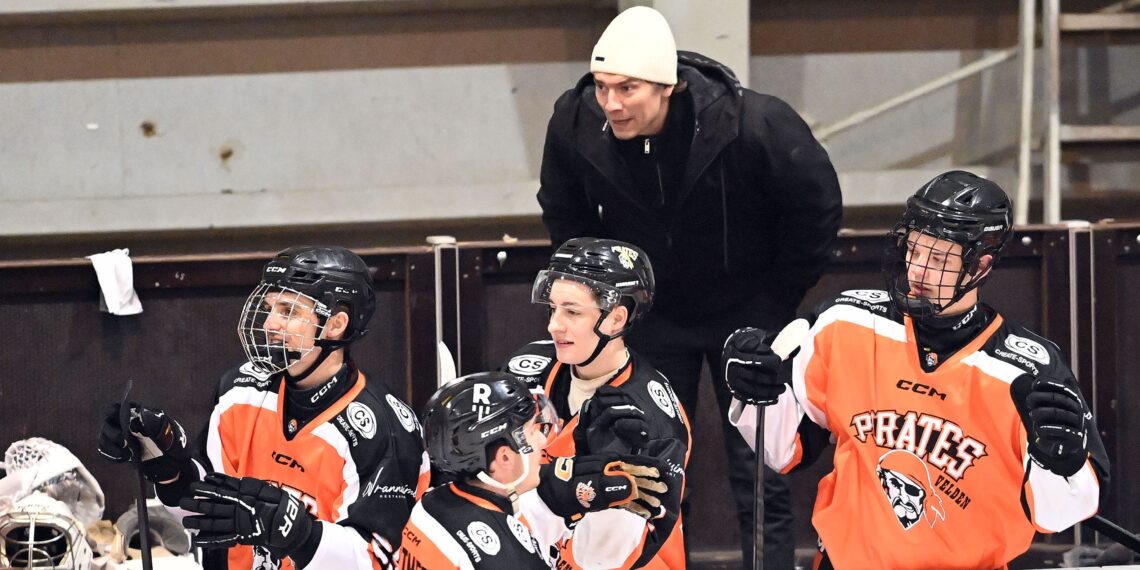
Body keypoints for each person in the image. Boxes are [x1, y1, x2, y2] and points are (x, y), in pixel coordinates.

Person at [535, 5, 842, 564]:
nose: (611, 103)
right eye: (602, 87)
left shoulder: (755, 123)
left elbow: (816, 208)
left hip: (746, 312)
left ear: (667, 86)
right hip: (651, 318)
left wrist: (774, 300)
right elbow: (563, 213)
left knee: (759, 473)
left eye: (627, 88)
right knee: (650, 468)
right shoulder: (576, 124)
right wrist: (608, 297)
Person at [723, 171, 1110, 568]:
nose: (918, 271)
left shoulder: (1028, 372)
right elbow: (784, 451)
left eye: (939, 258)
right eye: (914, 250)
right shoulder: (845, 323)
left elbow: (1059, 515)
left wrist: (1061, 462)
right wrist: (755, 393)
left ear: (980, 266)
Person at [97, 245, 429, 570]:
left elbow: (376, 559)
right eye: (270, 309)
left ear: (336, 324)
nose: (270, 324)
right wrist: (169, 468)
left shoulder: (385, 429)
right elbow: (204, 513)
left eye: (289, 311)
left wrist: (298, 534)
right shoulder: (240, 392)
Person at [503, 237, 689, 569]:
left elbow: (610, 556)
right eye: (552, 308)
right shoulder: (528, 366)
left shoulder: (651, 420)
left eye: (572, 312)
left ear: (616, 320)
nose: (553, 325)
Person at [403, 371, 667, 569]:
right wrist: (622, 522)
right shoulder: (509, 560)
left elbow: (514, 520)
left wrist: (556, 496)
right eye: (532, 431)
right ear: (504, 457)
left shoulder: (431, 504)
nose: (543, 440)